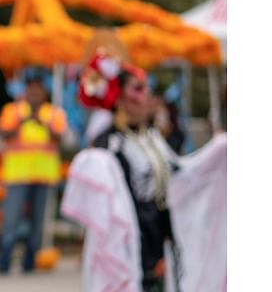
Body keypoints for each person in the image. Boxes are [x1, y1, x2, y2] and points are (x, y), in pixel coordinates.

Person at [62, 49, 227, 291]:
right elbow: (114, 208)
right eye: (137, 89)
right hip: (134, 242)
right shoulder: (108, 145)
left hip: (162, 238)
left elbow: (179, 176)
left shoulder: (151, 137)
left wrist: (219, 152)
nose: (146, 95)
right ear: (118, 98)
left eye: (146, 88)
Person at [0, 68, 67, 274]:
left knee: (38, 221)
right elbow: (3, 133)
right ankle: (3, 262)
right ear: (26, 91)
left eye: (38, 90)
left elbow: (61, 138)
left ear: (44, 93)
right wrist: (22, 122)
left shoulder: (54, 113)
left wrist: (43, 123)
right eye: (31, 89)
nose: (34, 93)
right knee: (11, 219)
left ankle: (29, 262)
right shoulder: (13, 110)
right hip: (18, 175)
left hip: (44, 175)